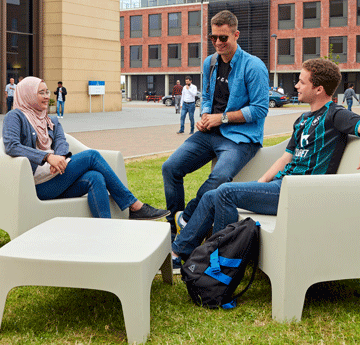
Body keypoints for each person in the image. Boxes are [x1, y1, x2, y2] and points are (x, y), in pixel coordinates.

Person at [171, 58, 360, 268]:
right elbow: (285, 158)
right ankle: (179, 253)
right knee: (210, 196)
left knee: (224, 192)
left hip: (300, 193)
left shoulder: (336, 114)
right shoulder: (303, 119)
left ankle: (220, 264)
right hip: (279, 188)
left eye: (301, 82)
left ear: (319, 89)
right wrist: (261, 182)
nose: (296, 85)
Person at [162, 10, 269, 240]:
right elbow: (208, 96)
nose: (218, 43)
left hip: (241, 137)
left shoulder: (254, 66)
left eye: (223, 38)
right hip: (210, 132)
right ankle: (172, 229)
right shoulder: (210, 63)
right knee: (170, 168)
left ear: (236, 35)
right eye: (213, 38)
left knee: (219, 178)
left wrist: (222, 118)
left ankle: (187, 218)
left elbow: (260, 109)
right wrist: (205, 115)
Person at [3, 77, 170, 221]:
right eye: (41, 93)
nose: (47, 96)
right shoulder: (15, 116)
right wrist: (47, 157)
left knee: (95, 177)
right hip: (38, 185)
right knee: (92, 156)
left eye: (47, 92)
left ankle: (107, 232)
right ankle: (134, 205)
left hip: (57, 174)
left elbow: (61, 141)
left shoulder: (50, 119)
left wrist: (59, 158)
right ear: (28, 94)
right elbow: (11, 145)